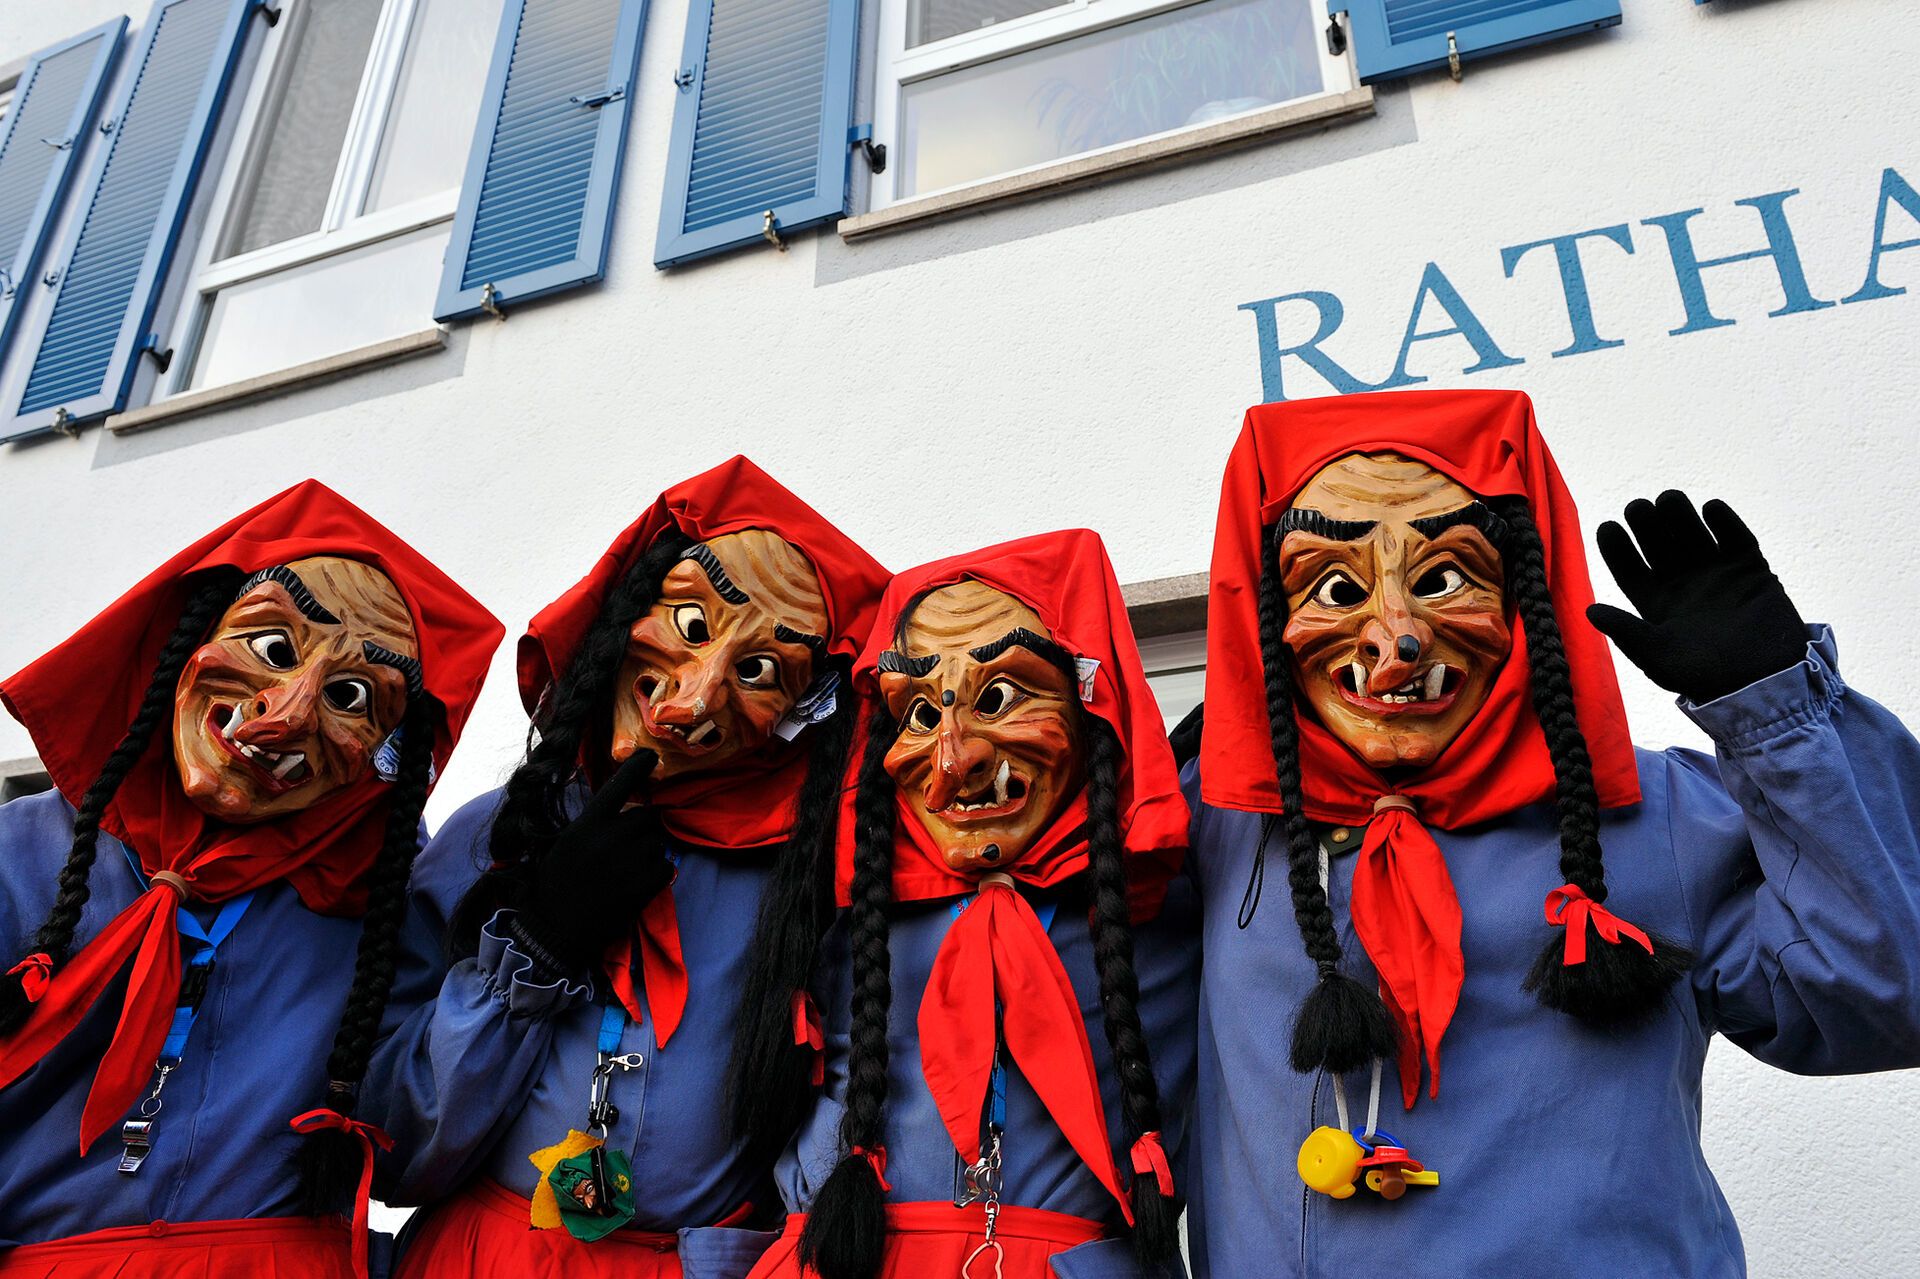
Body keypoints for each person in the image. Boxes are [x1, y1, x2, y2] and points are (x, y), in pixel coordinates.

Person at [1180, 388, 1920, 1276]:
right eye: (1336, 588)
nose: (1396, 637)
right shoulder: (1214, 833)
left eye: (1444, 576)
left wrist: (1778, 713)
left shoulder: (1655, 813)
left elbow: (1893, 994)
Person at [364, 457, 890, 1278]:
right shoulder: (492, 834)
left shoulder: (810, 883)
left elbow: (844, 1089)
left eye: (760, 671)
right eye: (688, 623)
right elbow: (393, 1146)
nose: (691, 700)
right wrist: (534, 947)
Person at [0, 480, 502, 1279]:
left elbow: (415, 1143)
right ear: (185, 636)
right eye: (272, 646)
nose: (284, 714)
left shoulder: (385, 901)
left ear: (385, 758)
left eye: (349, 697)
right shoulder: (17, 852)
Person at [750, 530, 1197, 1279]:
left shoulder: (1172, 888)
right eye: (919, 714)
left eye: (998, 697)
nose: (954, 758)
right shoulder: (830, 905)